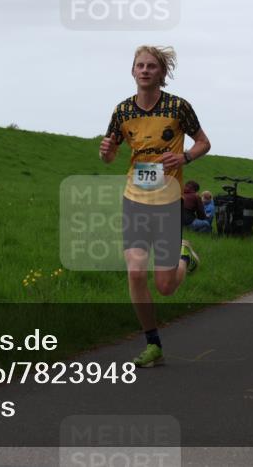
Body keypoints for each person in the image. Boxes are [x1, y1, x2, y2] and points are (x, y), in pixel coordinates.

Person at [100, 45, 211, 368]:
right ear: (132, 71)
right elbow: (109, 157)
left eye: (151, 66)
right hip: (134, 198)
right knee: (135, 271)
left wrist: (185, 156)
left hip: (168, 201)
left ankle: (184, 258)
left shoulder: (178, 107)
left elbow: (204, 141)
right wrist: (105, 151)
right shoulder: (122, 111)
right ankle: (153, 344)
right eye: (140, 65)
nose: (145, 70)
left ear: (162, 73)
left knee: (164, 287)